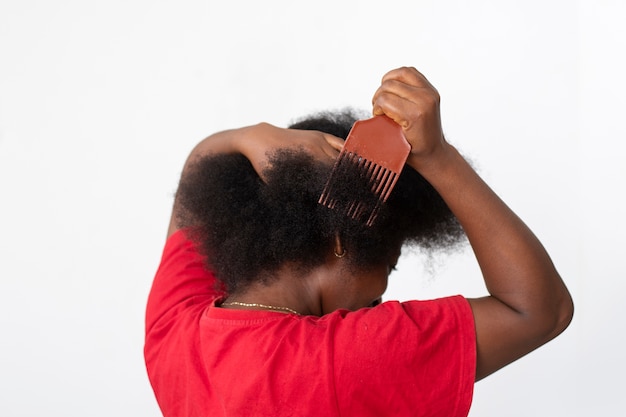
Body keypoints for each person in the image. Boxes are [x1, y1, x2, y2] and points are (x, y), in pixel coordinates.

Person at [144, 67, 573, 417]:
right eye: (389, 266)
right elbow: (539, 310)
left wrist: (251, 136)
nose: (382, 293)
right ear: (341, 237)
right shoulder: (345, 359)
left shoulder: (175, 335)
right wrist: (438, 157)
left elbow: (196, 171)